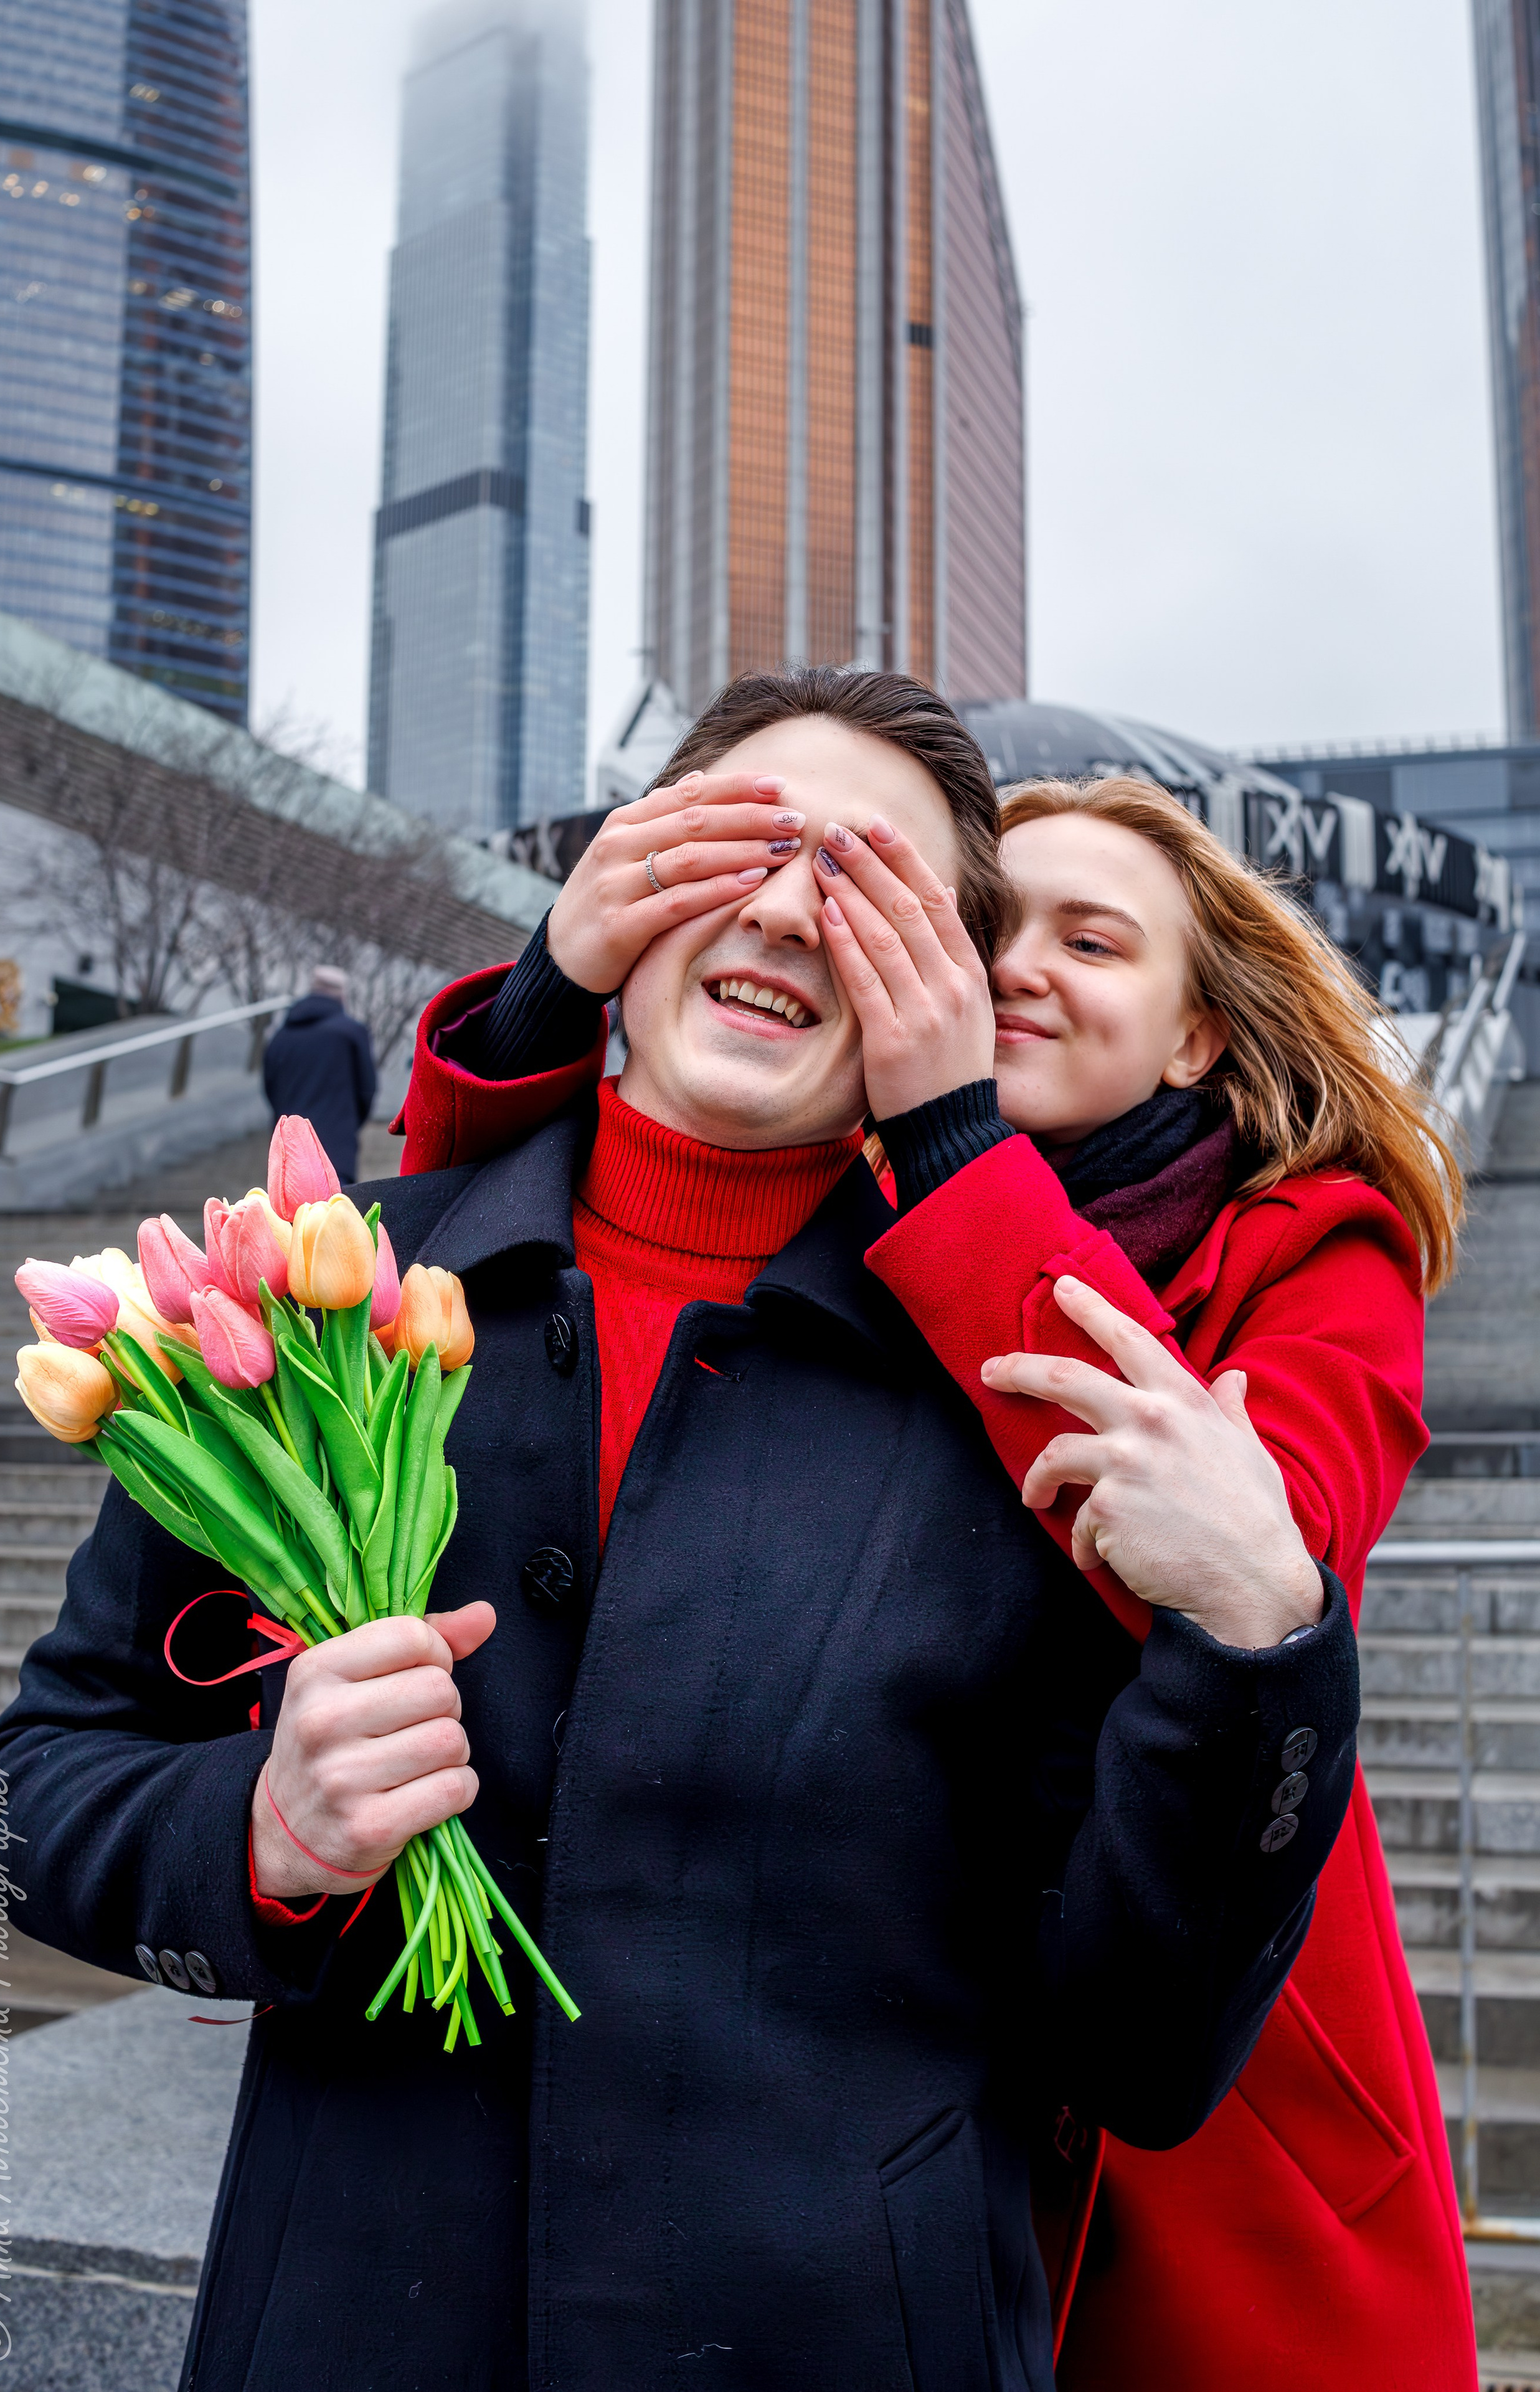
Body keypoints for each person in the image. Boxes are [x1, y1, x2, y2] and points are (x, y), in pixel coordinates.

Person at [0, 670, 1359, 2392]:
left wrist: (1258, 1647)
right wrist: (260, 1833)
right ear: (630, 877)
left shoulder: (1033, 1394)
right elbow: (33, 1800)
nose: (786, 907)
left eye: (869, 887)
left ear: (944, 991)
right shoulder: (322, 1294)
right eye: (743, 841)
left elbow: (1145, 2052)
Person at [395, 740, 1473, 2388]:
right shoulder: (872, 1198)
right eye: (986, 936)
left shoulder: (1311, 1242)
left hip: (1207, 2069)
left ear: (1199, 1029)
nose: (1018, 971)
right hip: (907, 2062)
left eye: (1093, 944)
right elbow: (513, 1254)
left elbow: (1241, 1560)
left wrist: (963, 1140)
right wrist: (550, 999)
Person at [262, 964, 377, 1183]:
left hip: (288, 1156)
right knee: (333, 1213)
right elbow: (367, 1090)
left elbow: (269, 1087)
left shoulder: (281, 1036)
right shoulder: (351, 1033)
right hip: (336, 1152)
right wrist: (348, 1123)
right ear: (342, 996)